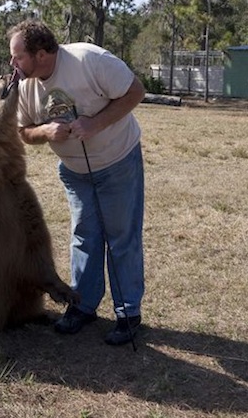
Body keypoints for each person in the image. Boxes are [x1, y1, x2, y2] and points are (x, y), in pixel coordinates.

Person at [7, 19, 146, 346]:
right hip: (74, 172)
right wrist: (45, 131)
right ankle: (83, 306)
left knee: (121, 237)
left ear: (41, 54)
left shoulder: (89, 60)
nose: (13, 63)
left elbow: (136, 91)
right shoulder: (26, 86)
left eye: (18, 56)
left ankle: (128, 313)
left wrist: (95, 124)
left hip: (117, 163)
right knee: (84, 236)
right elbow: (24, 132)